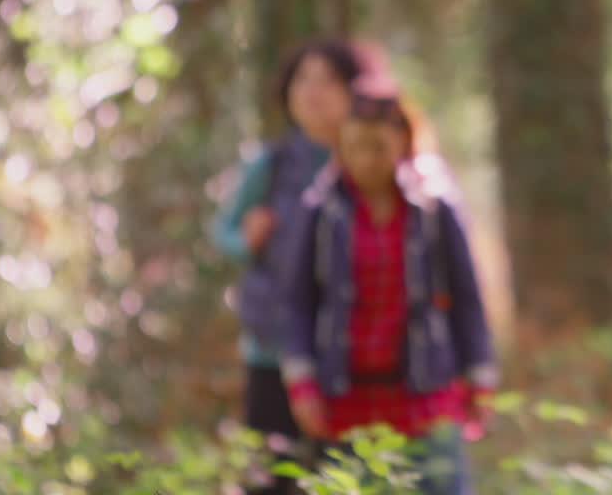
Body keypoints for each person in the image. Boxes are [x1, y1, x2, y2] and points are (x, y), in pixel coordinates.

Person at [279, 74, 498, 495]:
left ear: (401, 143)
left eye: (377, 147)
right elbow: (298, 303)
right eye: (355, 147)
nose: (365, 160)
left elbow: (467, 297)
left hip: (426, 391)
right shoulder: (321, 211)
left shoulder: (433, 207)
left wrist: (480, 375)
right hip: (346, 396)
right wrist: (302, 382)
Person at [212, 40, 365, 495]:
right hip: (272, 351)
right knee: (275, 477)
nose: (313, 91)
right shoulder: (270, 163)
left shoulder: (370, 160)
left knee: (347, 476)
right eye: (303, 79)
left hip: (352, 355)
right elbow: (223, 232)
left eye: (327, 80)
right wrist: (248, 239)